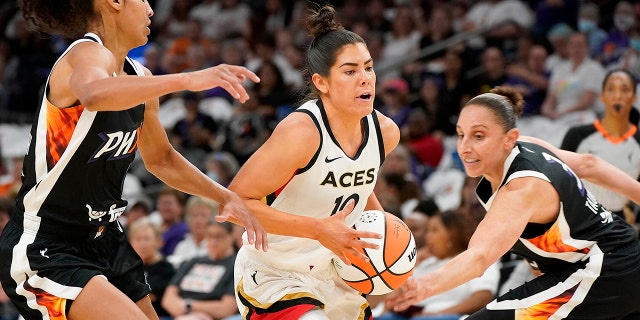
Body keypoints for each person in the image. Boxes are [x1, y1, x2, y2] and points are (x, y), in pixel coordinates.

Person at [0, 1, 267, 320]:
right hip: (47, 243)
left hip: (104, 237)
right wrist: (186, 80)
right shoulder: (84, 53)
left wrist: (225, 196)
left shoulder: (140, 76)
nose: (151, 10)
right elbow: (95, 93)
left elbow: (162, 159)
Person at [388, 86, 640, 318]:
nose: (464, 147)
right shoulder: (526, 146)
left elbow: (479, 258)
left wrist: (421, 287)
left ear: (509, 138)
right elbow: (589, 164)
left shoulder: (521, 188)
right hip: (608, 261)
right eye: (461, 135)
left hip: (605, 269)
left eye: (478, 136)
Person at [228, 5, 400, 319]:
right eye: (350, 71)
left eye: (369, 68)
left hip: (331, 275)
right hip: (273, 273)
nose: (365, 79)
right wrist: (318, 229)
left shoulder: (386, 132)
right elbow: (231, 205)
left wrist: (390, 253)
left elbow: (360, 185)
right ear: (322, 83)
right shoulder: (301, 133)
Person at [561, 69, 640, 224]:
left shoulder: (638, 142)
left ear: (633, 97)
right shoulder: (577, 135)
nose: (617, 96)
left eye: (624, 90)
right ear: (602, 96)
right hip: (578, 221)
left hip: (620, 224)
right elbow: (559, 180)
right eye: (611, 89)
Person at [161, 221, 239, 320]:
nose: (214, 241)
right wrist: (184, 311)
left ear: (231, 236)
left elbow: (227, 308)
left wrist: (189, 306)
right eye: (209, 236)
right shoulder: (193, 262)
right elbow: (167, 299)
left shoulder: (236, 265)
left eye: (219, 236)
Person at [129, 217, 176, 319]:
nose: (142, 244)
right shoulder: (127, 268)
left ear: (159, 242)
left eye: (147, 239)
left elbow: (147, 297)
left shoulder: (167, 270)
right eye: (138, 239)